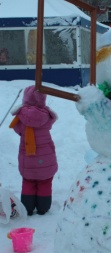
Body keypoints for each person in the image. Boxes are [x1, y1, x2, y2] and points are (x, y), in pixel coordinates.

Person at [9, 85, 58, 216]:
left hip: (28, 159)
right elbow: (51, 123)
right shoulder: (47, 116)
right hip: (46, 158)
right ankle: (43, 207)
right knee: (45, 181)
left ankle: (28, 208)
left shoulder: (20, 118)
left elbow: (18, 130)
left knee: (28, 181)